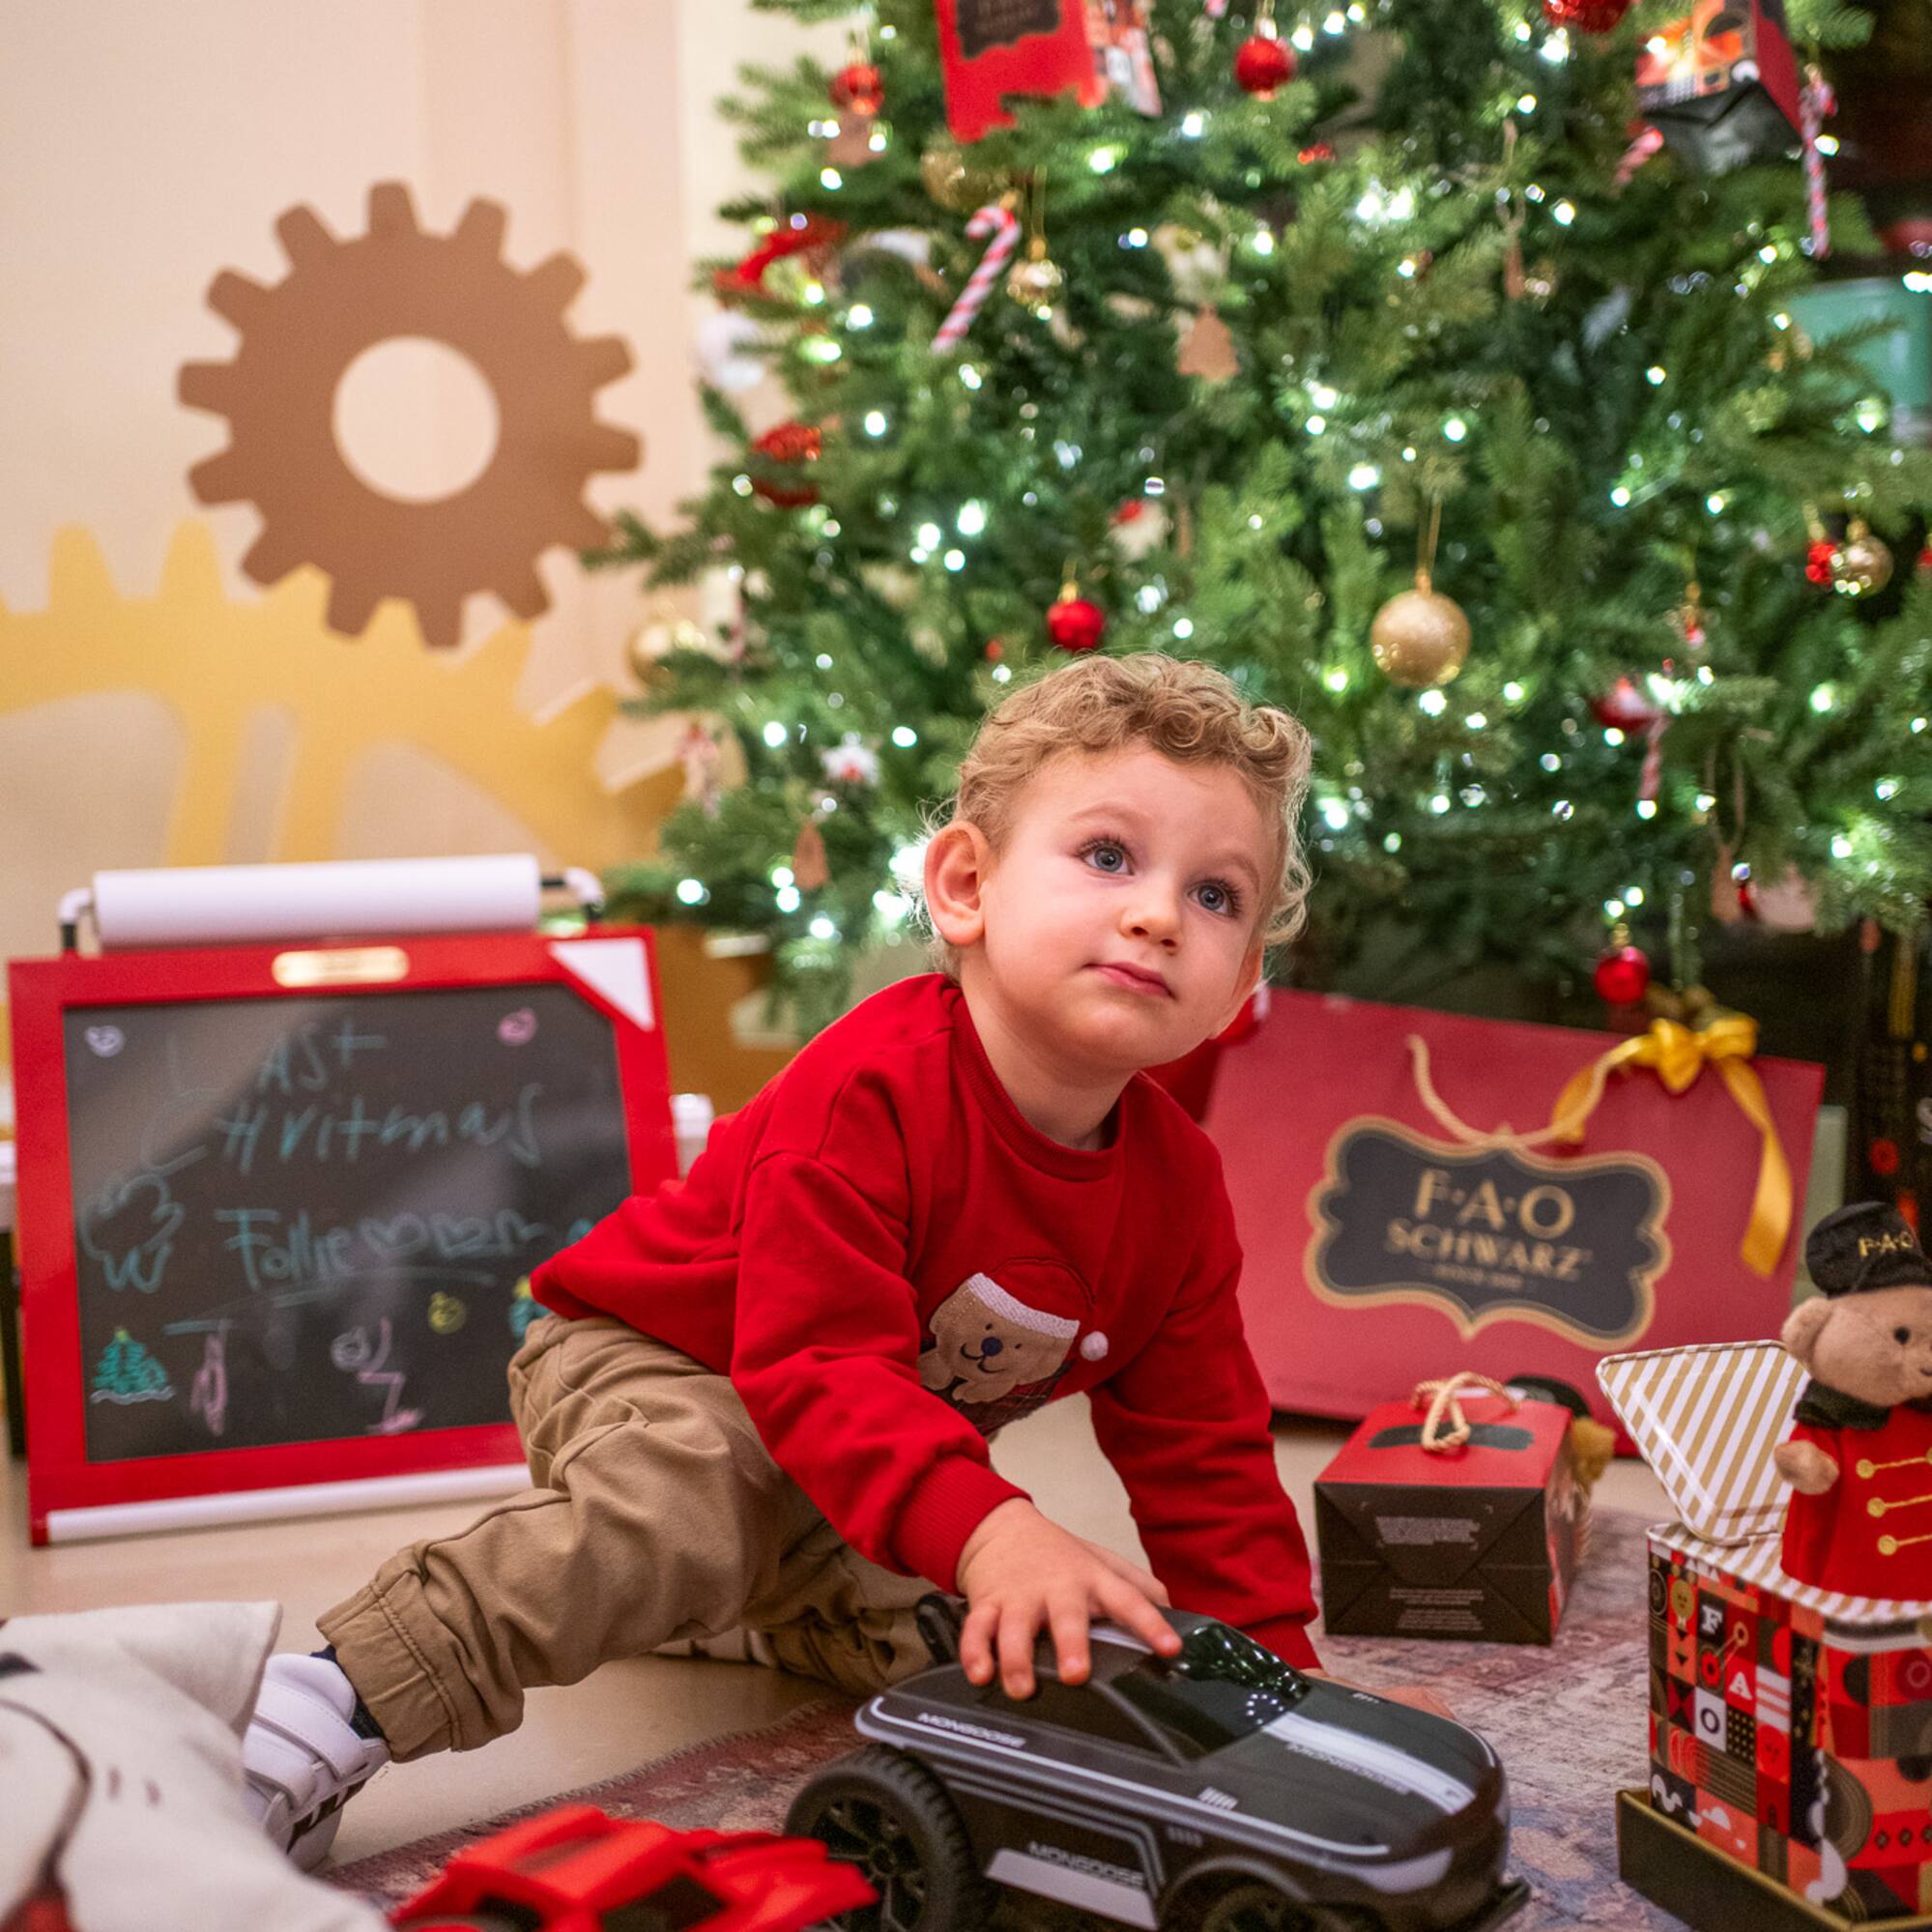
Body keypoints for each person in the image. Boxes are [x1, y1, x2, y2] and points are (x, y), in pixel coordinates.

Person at [244, 651, 1328, 1868]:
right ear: (966, 885)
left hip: (856, 1433)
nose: (1157, 912)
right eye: (1109, 856)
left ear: (1238, 987)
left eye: (1217, 895)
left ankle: (741, 1604)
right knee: (706, 1492)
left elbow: (1208, 1457)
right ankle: (323, 1701)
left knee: (1037, 1640)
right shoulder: (873, 1088)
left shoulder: (1177, 1188)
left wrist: (1280, 1692)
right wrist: (990, 1522)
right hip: (660, 1353)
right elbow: (810, 1361)